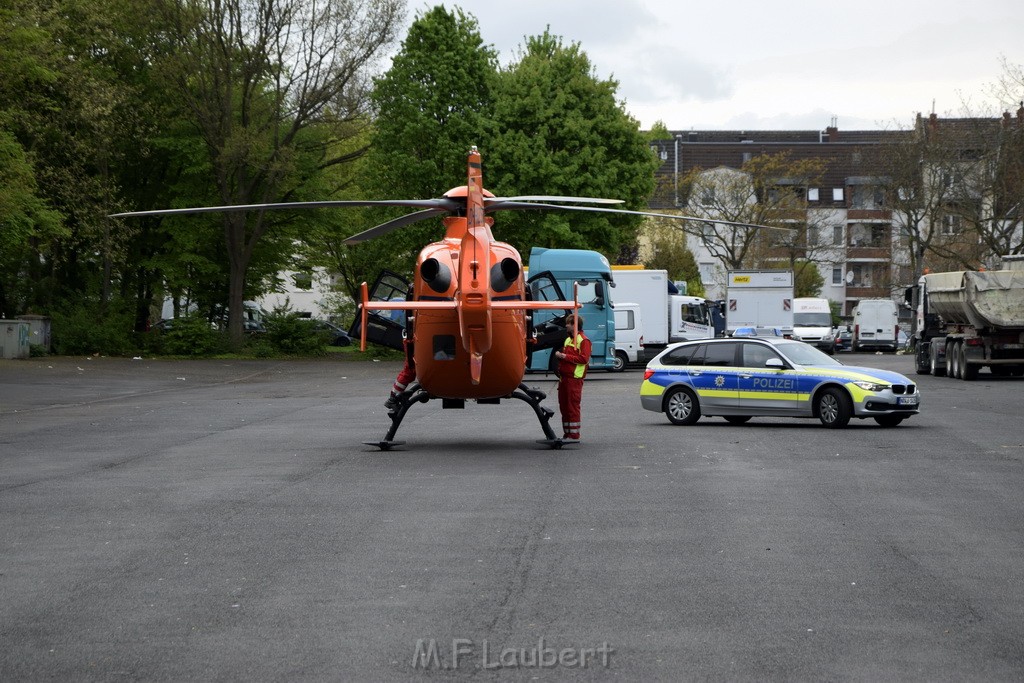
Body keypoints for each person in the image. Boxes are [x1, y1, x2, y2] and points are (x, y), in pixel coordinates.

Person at [553, 312, 591, 441]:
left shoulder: (584, 340)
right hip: (564, 379)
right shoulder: (568, 340)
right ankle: (567, 433)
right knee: (564, 406)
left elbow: (584, 359)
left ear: (575, 325)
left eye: (568, 324)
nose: (566, 327)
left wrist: (564, 356)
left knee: (572, 407)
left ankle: (574, 435)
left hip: (574, 379)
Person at [385, 339, 416, 411]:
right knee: (409, 371)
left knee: (410, 372)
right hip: (412, 341)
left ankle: (393, 398)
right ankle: (392, 399)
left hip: (414, 341)